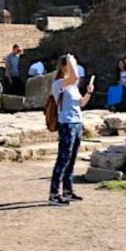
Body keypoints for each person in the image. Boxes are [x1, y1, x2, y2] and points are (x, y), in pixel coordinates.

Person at [48, 53, 94, 206]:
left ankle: (67, 190)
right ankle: (54, 193)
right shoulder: (59, 84)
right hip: (66, 123)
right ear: (64, 66)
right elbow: (74, 76)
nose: (75, 66)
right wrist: (69, 58)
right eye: (73, 64)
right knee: (63, 158)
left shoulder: (73, 86)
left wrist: (89, 92)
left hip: (77, 123)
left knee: (72, 158)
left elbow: (81, 103)